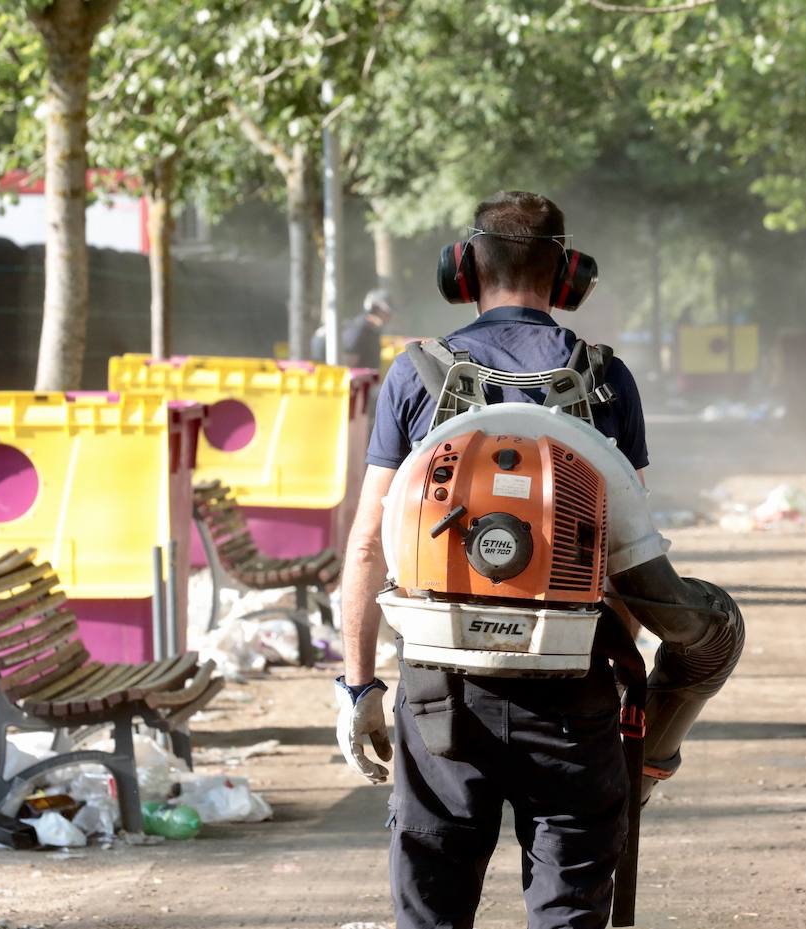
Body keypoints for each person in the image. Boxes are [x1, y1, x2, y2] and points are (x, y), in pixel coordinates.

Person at [335, 190, 650, 929]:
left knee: (433, 909)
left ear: (463, 272)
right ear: (568, 274)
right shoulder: (606, 380)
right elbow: (632, 551)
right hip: (573, 688)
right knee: (568, 907)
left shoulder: (415, 375)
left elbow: (366, 544)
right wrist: (617, 674)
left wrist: (358, 688)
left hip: (443, 693)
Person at [340, 288, 394, 368]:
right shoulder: (358, 330)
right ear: (373, 308)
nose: (389, 316)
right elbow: (348, 366)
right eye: (386, 311)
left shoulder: (373, 331)